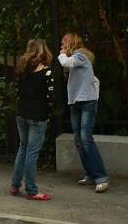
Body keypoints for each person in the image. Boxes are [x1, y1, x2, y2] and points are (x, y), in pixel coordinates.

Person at [58, 33, 110, 193]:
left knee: (85, 139)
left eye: (64, 43)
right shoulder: (77, 60)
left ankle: (101, 177)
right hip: (76, 102)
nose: (62, 46)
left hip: (87, 102)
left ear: (71, 43)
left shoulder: (80, 55)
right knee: (79, 140)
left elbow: (65, 62)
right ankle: (91, 174)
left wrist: (62, 54)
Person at [10, 39, 55, 201]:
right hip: (38, 115)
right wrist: (49, 110)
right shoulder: (47, 72)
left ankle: (15, 185)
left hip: (22, 113)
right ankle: (32, 190)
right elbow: (51, 97)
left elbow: (17, 92)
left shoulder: (22, 71)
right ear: (44, 51)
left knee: (23, 148)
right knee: (32, 152)